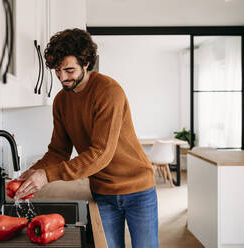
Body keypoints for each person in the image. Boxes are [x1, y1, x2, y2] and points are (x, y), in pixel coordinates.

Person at [14, 28, 158, 248]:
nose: (62, 78)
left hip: (138, 188)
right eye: (57, 71)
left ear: (86, 63)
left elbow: (101, 153)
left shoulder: (109, 92)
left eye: (69, 70)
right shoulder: (61, 101)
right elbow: (58, 151)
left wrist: (48, 176)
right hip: (101, 192)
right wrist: (35, 172)